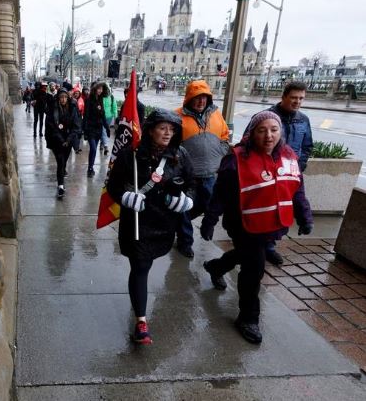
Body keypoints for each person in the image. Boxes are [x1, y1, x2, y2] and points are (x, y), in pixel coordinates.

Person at [200, 111, 313, 344]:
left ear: (280, 132)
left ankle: (216, 267)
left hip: (271, 224)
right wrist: (209, 221)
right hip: (243, 225)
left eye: (274, 130)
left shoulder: (289, 155)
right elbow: (220, 195)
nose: (269, 135)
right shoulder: (236, 160)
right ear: (252, 133)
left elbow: (297, 189)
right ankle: (248, 318)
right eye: (262, 130)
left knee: (247, 255)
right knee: (254, 269)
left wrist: (305, 217)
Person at [107, 109, 195, 344]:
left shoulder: (181, 155)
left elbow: (192, 184)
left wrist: (187, 199)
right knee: (140, 267)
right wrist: (125, 197)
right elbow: (113, 186)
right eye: (162, 128)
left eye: (172, 129)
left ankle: (140, 312)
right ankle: (141, 322)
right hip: (138, 223)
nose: (167, 133)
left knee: (146, 264)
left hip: (164, 223)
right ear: (150, 129)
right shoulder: (131, 155)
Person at [174, 80, 230, 258]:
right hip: (188, 176)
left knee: (208, 205)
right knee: (184, 209)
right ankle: (185, 241)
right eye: (197, 97)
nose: (201, 101)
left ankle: (195, 225)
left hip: (211, 174)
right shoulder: (177, 116)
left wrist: (220, 152)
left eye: (204, 97)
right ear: (189, 98)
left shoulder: (216, 114)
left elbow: (225, 136)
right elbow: (171, 144)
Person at [263, 81, 314, 265]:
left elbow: (307, 146)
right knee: (269, 210)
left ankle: (270, 244)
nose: (297, 102)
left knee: (285, 208)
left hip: (291, 172)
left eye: (301, 98)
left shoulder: (303, 119)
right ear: (283, 96)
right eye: (293, 97)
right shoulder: (268, 117)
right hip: (269, 173)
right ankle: (265, 246)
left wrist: (300, 165)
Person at [45, 90, 81, 198]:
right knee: (60, 162)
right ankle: (60, 186)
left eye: (65, 97)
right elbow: (51, 126)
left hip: (68, 140)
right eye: (61, 97)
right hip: (57, 141)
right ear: (58, 98)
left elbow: (76, 126)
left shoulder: (72, 108)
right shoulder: (53, 109)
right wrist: (61, 140)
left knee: (64, 162)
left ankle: (61, 180)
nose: (63, 99)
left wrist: (68, 140)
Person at [82, 82, 107, 177]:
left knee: (94, 150)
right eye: (98, 88)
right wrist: (84, 130)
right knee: (93, 148)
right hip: (90, 129)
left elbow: (103, 115)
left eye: (101, 89)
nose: (100, 90)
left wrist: (107, 127)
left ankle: (90, 168)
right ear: (95, 89)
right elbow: (86, 115)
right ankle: (90, 168)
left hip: (98, 129)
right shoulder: (89, 100)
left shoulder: (100, 99)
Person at [100, 83, 117, 155]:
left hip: (109, 117)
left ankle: (102, 144)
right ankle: (106, 146)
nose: (107, 91)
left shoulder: (112, 97)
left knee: (105, 130)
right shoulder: (100, 97)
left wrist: (115, 116)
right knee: (103, 130)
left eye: (107, 90)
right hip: (101, 117)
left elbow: (114, 107)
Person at [72, 88, 85, 153]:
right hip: (73, 118)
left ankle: (77, 147)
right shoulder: (72, 100)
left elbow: (83, 109)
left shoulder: (81, 100)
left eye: (77, 93)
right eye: (75, 93)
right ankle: (75, 147)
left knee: (79, 133)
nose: (76, 94)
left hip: (79, 118)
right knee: (74, 133)